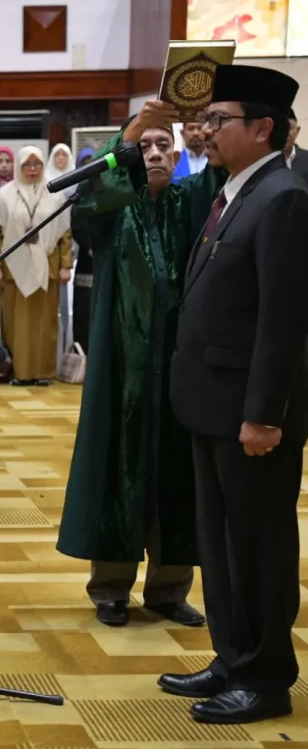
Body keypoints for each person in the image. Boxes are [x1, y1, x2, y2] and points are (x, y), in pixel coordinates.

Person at [158, 65, 308, 725]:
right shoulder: (232, 194)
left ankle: (266, 675)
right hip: (211, 406)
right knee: (218, 542)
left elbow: (285, 322)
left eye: (220, 121)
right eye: (206, 120)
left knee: (258, 545)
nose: (205, 131)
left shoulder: (284, 198)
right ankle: (231, 656)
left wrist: (264, 415)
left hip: (250, 417)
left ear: (263, 128)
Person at [57, 104, 221, 629]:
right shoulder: (113, 206)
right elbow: (85, 202)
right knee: (118, 469)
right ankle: (110, 587)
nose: (154, 154)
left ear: (177, 155)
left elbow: (221, 173)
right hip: (121, 367)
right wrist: (123, 138)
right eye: (144, 147)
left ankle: (169, 589)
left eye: (162, 147)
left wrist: (206, 106)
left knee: (177, 472)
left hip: (178, 366)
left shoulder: (192, 201)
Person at [0, 146, 72, 386]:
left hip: (47, 265)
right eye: (27, 165)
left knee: (46, 322)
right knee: (16, 323)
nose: (32, 170)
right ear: (19, 167)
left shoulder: (54, 193)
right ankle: (21, 372)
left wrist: (66, 265)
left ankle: (43, 373)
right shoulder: (5, 194)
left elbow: (65, 232)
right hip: (13, 267)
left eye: (37, 165)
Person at [69, 147, 96, 352]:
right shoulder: (78, 193)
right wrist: (90, 247)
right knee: (84, 310)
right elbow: (76, 224)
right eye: (84, 163)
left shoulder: (111, 189)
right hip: (87, 261)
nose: (89, 167)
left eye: (93, 162)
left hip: (107, 259)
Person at [285, 108, 308, 184]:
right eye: (282, 129)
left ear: (297, 131)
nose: (285, 134)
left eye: (290, 128)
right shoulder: (263, 159)